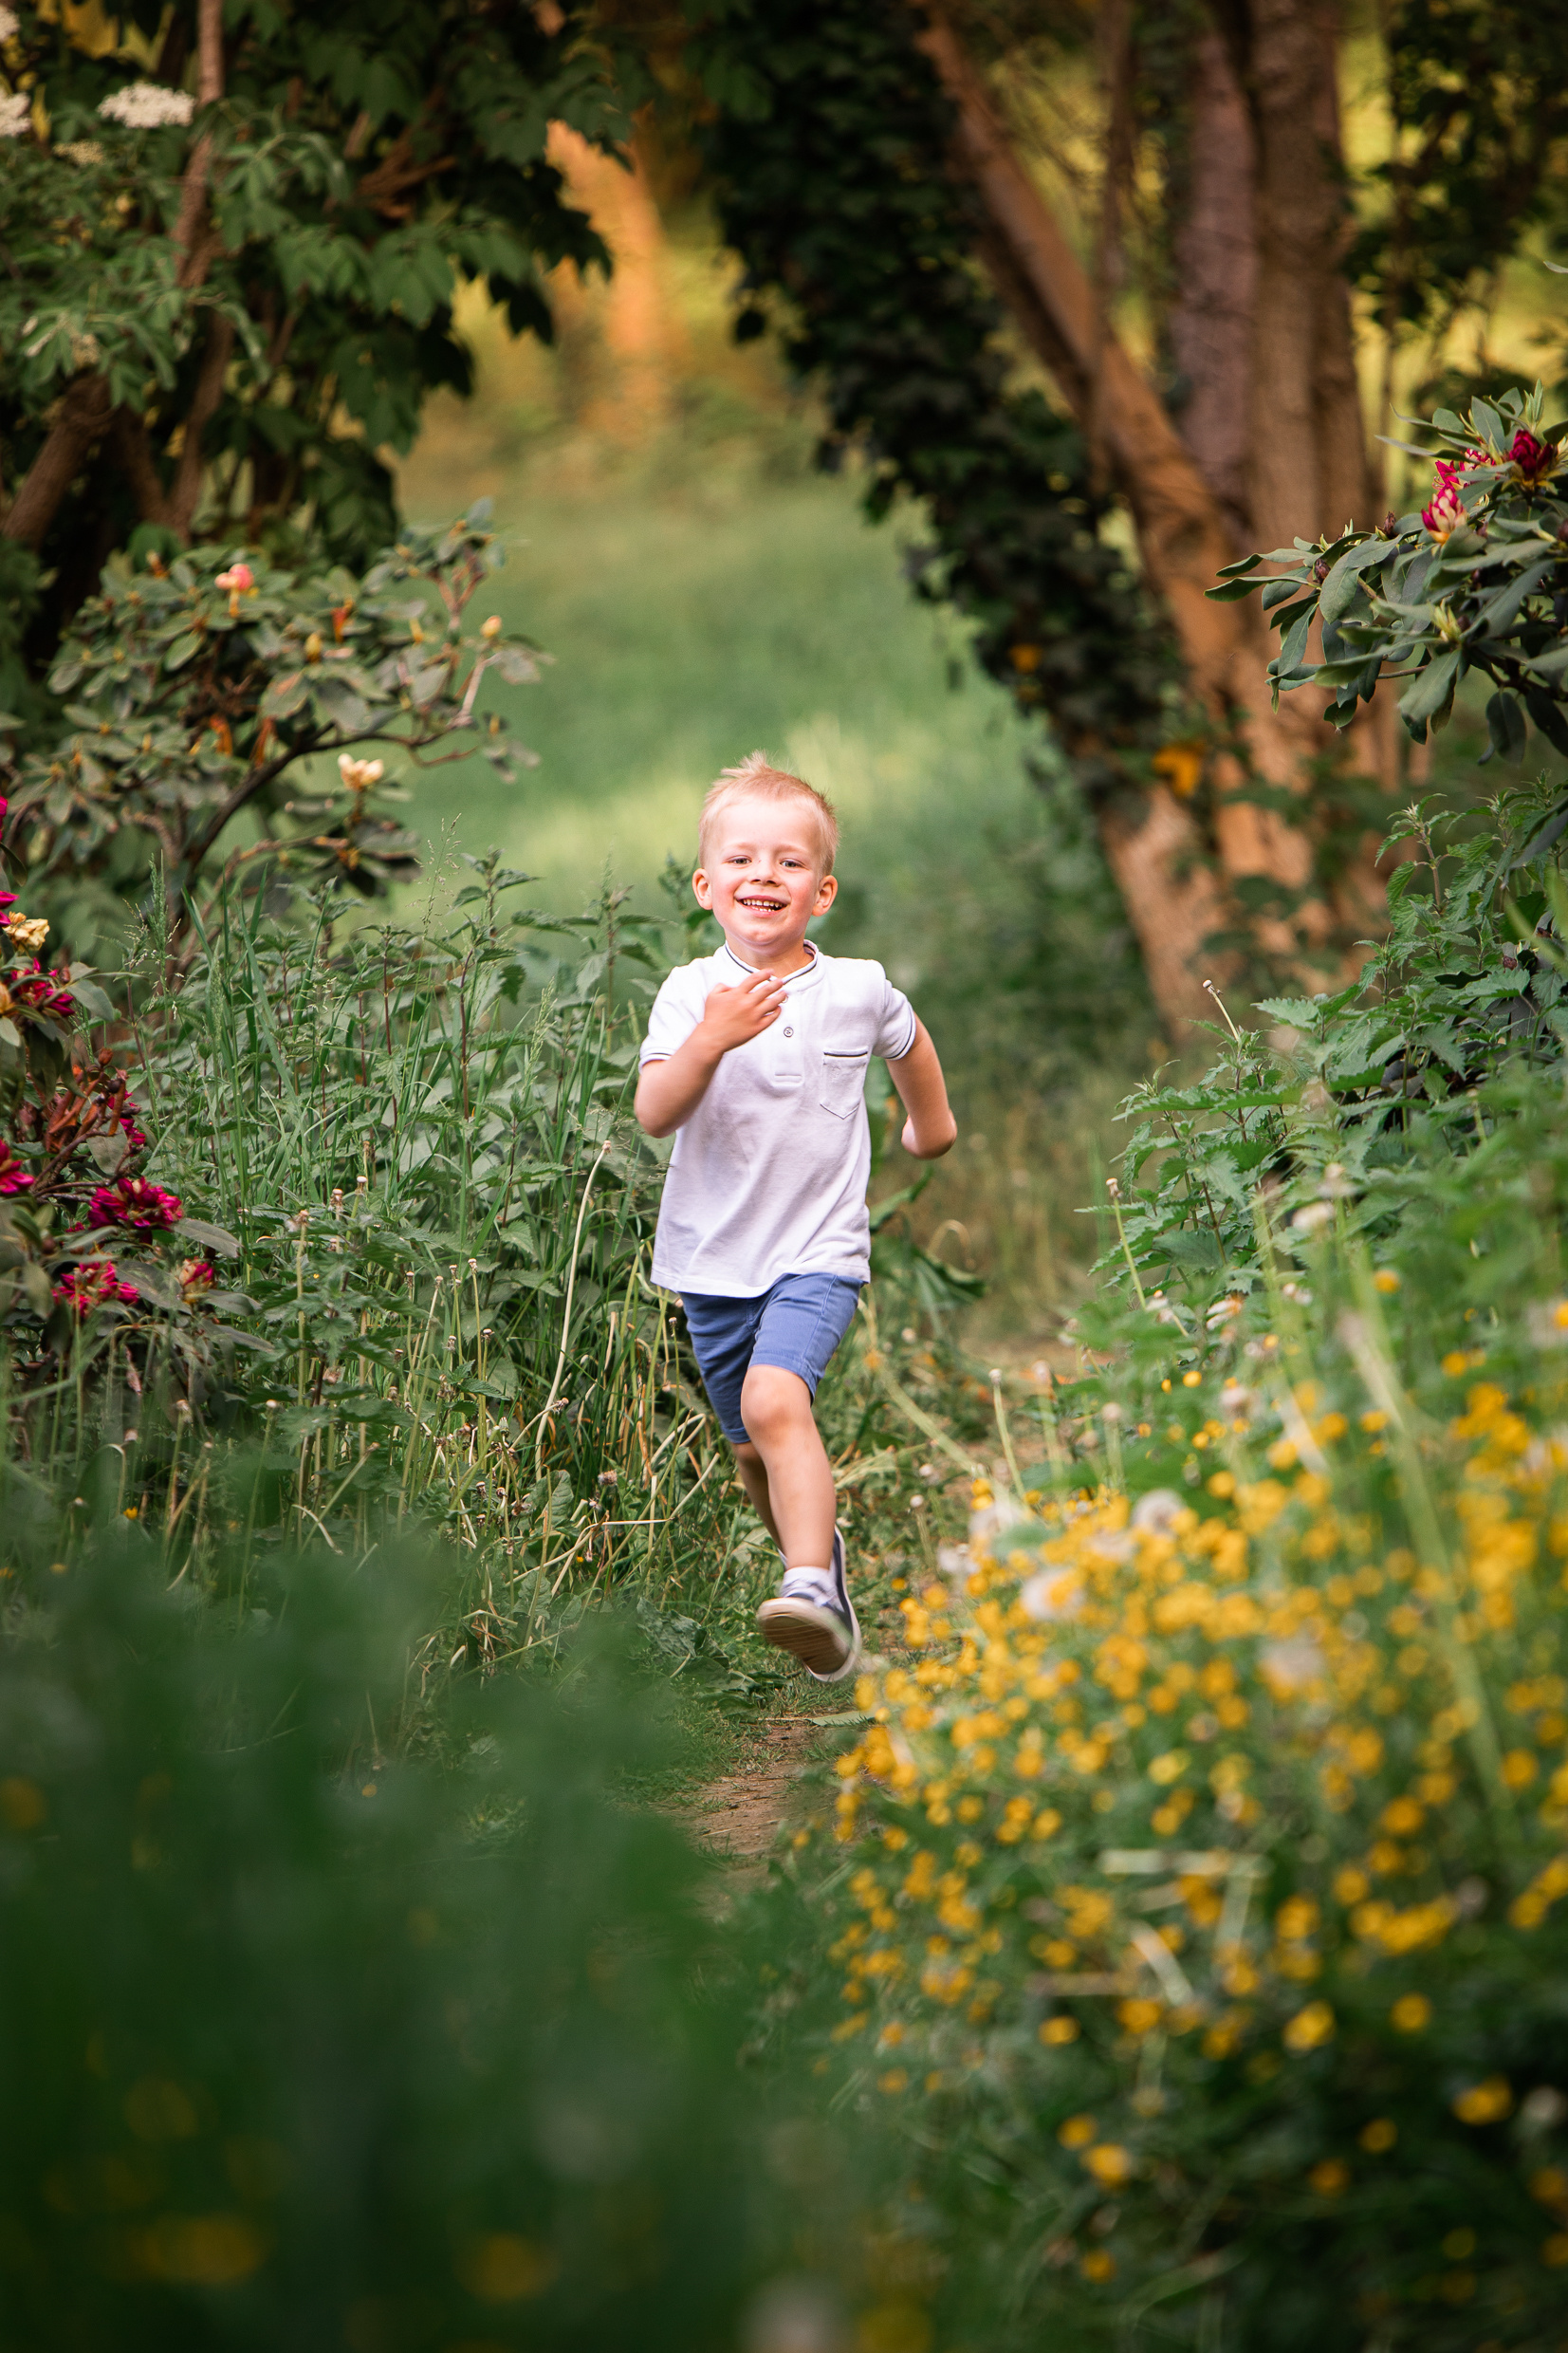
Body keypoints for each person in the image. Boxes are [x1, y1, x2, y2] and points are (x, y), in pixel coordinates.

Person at [635, 752, 957, 1680]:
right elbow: (656, 1111)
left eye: (786, 862)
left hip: (817, 1249)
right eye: (741, 859)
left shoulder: (855, 984)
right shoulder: (690, 995)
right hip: (710, 1259)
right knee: (751, 1454)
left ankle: (808, 1582)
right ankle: (825, 1580)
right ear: (706, 885)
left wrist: (927, 1125)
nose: (763, 875)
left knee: (780, 1402)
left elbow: (909, 1039)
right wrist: (710, 1040)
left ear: (822, 890)